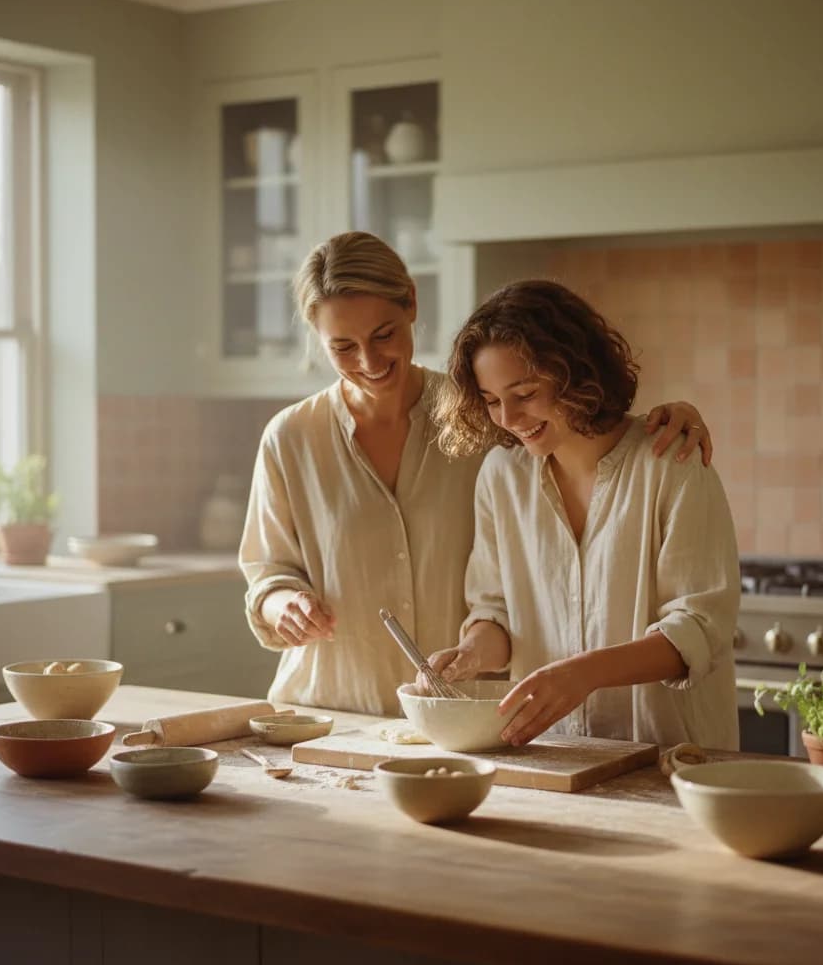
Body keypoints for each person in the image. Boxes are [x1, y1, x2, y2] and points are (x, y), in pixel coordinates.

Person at [239, 232, 715, 717]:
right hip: (331, 712)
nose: (369, 361)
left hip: (461, 722)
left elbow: (581, 426)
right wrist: (282, 604)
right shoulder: (292, 438)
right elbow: (266, 572)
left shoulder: (481, 419)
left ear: (412, 304)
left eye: (383, 335)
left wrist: (669, 418)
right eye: (342, 346)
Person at [428, 279, 740, 749]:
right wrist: (471, 653)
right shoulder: (501, 476)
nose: (508, 418)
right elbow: (495, 610)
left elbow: (698, 629)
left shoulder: (671, 462)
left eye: (526, 392)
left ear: (574, 371)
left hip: (671, 757)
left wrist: (585, 673)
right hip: (557, 755)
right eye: (492, 401)